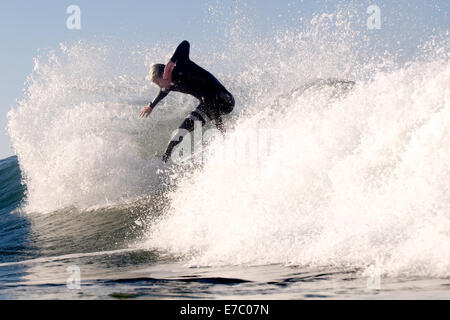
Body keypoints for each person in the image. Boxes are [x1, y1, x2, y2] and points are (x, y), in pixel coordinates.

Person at [140, 40, 235, 162]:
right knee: (179, 132)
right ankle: (164, 159)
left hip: (225, 100)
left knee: (209, 100)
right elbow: (163, 92)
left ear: (165, 74)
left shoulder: (182, 65)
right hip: (207, 104)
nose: (160, 86)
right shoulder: (170, 84)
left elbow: (185, 43)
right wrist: (151, 106)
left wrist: (172, 60)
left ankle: (223, 134)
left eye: (158, 82)